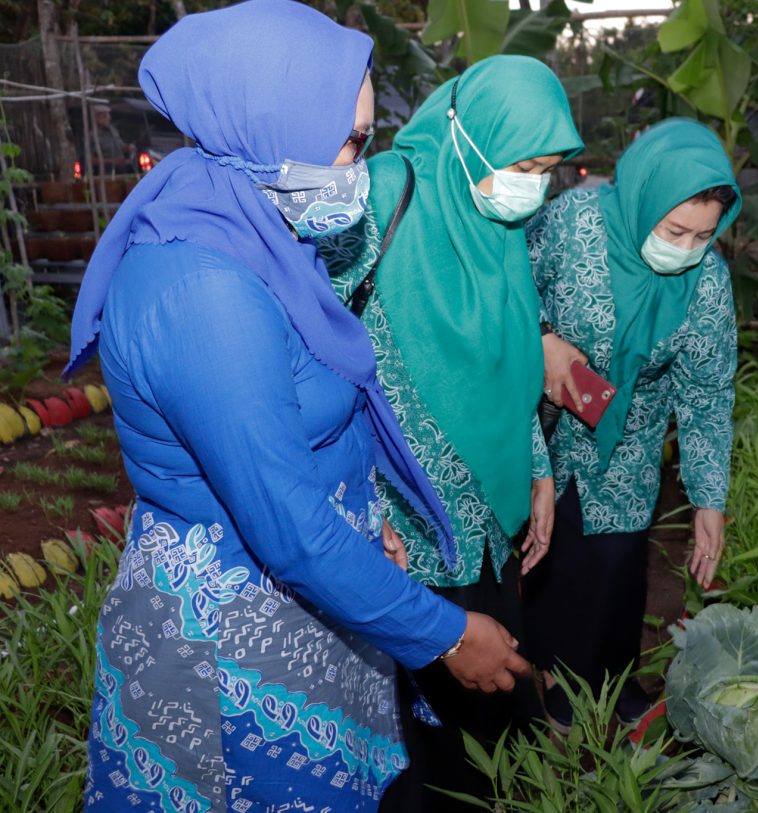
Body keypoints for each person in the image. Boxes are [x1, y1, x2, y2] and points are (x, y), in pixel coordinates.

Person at [67, 4, 527, 811]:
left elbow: (314, 410)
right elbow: (285, 525)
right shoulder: (203, 290)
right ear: (267, 122)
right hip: (233, 641)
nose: (360, 165)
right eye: (349, 141)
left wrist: (363, 509)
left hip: (305, 603)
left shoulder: (254, 223)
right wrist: (448, 634)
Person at [319, 55, 583, 810]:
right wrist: (353, 499)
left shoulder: (498, 222)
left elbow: (511, 356)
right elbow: (314, 342)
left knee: (488, 717)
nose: (532, 188)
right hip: (403, 529)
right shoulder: (381, 198)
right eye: (522, 167)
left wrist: (537, 467)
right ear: (469, 137)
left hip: (489, 519)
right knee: (413, 739)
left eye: (546, 172)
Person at [522, 118, 741, 729]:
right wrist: (542, 338)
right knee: (550, 549)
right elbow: (511, 285)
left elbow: (706, 393)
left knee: (617, 561)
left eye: (703, 235)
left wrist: (709, 499)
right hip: (541, 418)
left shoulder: (706, 283)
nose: (686, 248)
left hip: (630, 437)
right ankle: (556, 674)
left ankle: (614, 678)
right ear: (645, 198)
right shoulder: (572, 225)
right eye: (674, 230)